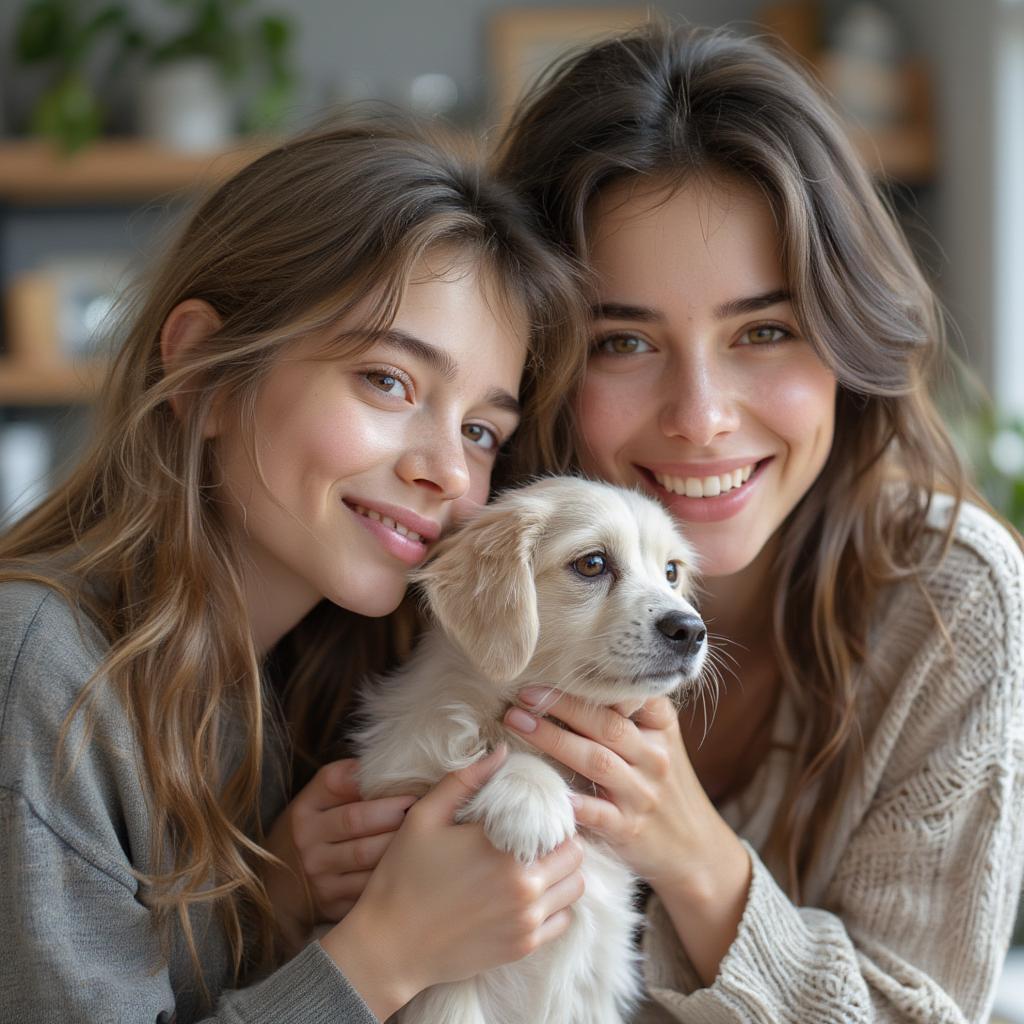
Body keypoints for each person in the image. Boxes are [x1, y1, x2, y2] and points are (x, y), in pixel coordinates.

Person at [0, 114, 591, 1022]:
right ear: (202, 371)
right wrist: (385, 951)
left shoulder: (296, 678)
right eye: (389, 381)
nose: (444, 468)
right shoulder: (36, 674)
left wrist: (271, 909)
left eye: (481, 431)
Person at [489, 22, 1024, 1024]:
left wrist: (691, 853)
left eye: (763, 331)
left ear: (845, 335)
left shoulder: (952, 601)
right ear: (541, 360)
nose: (700, 416)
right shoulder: (474, 568)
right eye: (622, 341)